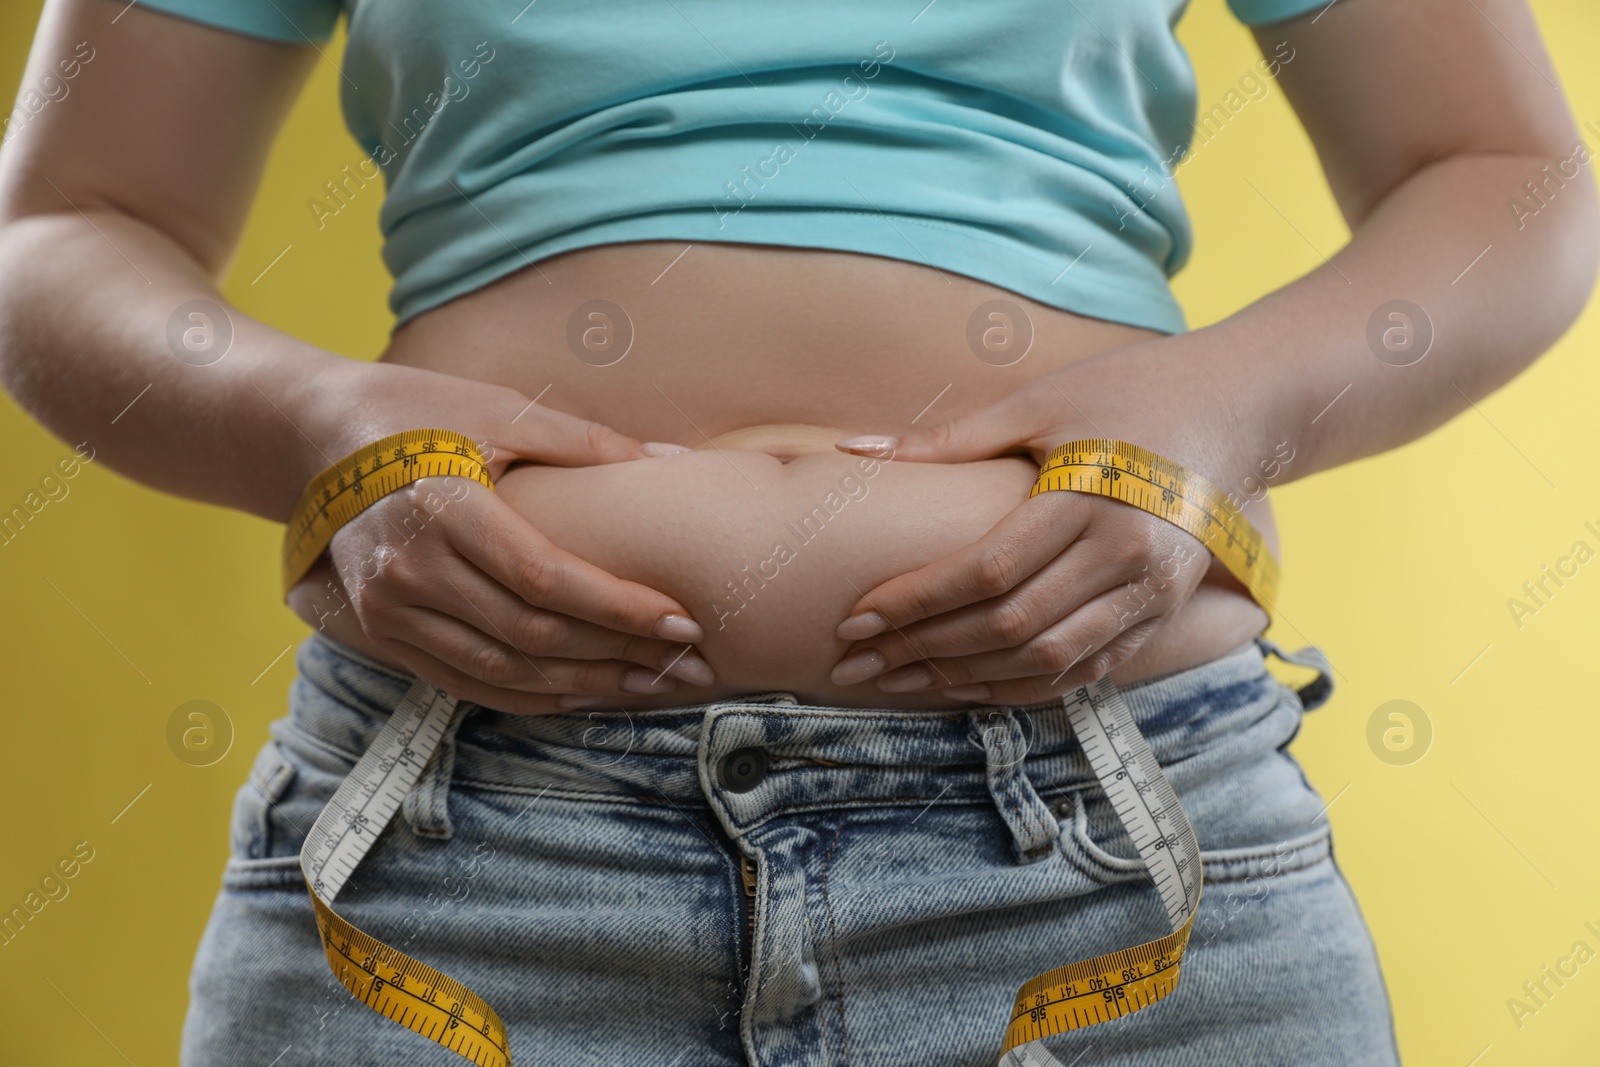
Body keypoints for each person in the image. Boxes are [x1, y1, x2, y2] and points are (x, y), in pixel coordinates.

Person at [0, 0, 1593, 1063]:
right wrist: (311, 433)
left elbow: (1507, 176)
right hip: (465, 847)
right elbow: (71, 224)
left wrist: (1229, 417)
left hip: (1110, 833)